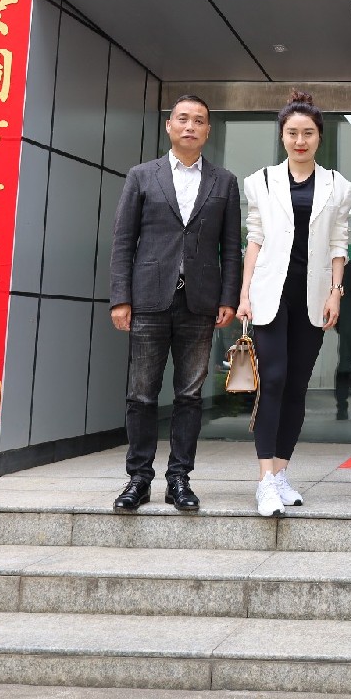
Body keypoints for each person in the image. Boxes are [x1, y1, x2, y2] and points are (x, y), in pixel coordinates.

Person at [109, 94, 242, 512]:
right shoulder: (141, 176)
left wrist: (229, 297)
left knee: (189, 395)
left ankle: (179, 478)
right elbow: (123, 241)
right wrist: (120, 298)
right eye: (182, 119)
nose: (190, 126)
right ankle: (138, 479)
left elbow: (231, 247)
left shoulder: (224, 181)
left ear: (208, 130)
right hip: (148, 299)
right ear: (169, 126)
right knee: (141, 394)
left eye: (198, 121)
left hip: (200, 302)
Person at [238, 91, 351, 517]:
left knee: (297, 385)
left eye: (307, 133)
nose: (299, 140)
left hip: (313, 295)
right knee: (273, 379)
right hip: (271, 293)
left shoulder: (337, 185)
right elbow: (254, 239)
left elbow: (339, 242)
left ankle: (281, 472)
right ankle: (264, 479)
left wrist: (336, 291)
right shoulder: (261, 181)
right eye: (292, 133)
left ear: (319, 136)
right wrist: (244, 293)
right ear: (282, 136)